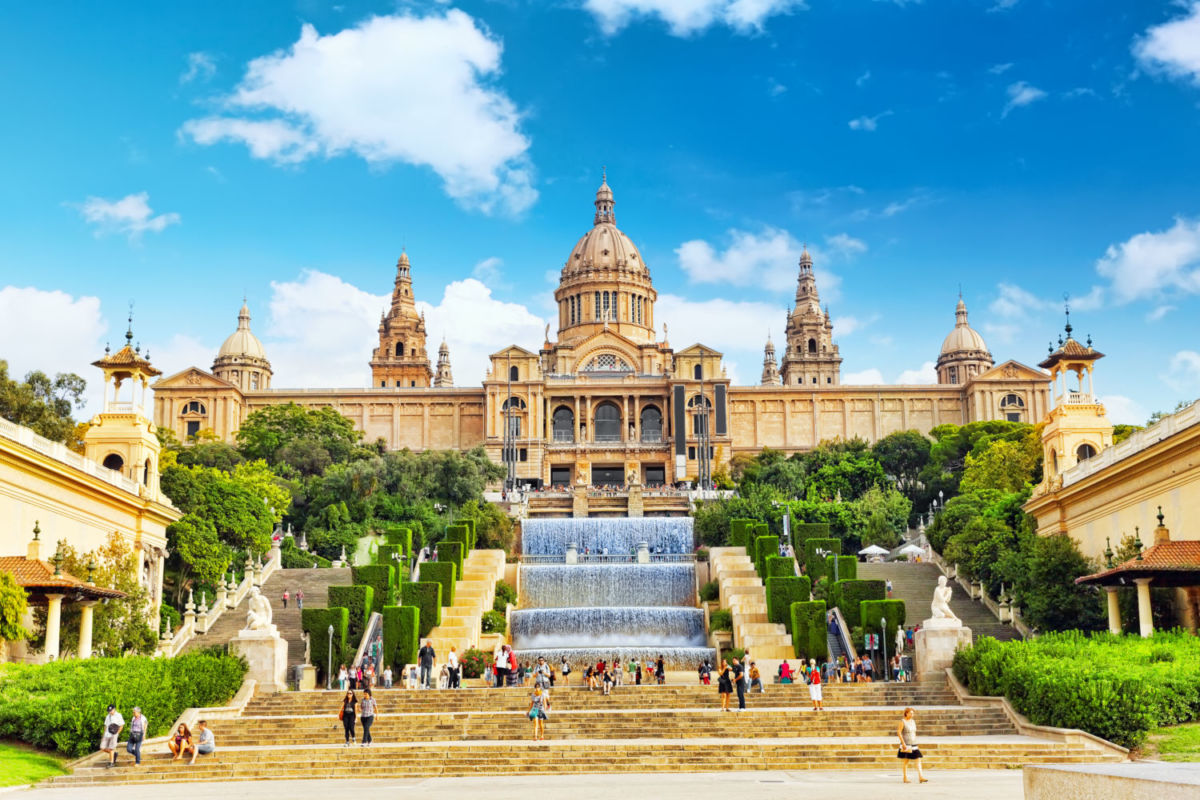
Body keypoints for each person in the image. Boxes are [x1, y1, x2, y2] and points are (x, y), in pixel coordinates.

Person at [897, 708, 927, 783]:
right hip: (906, 744)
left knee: (918, 759)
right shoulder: (902, 721)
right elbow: (899, 732)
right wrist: (903, 743)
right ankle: (905, 777)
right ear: (906, 713)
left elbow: (914, 732)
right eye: (910, 713)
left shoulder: (913, 721)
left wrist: (916, 741)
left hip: (914, 743)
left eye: (913, 713)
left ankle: (921, 777)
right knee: (906, 761)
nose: (912, 715)